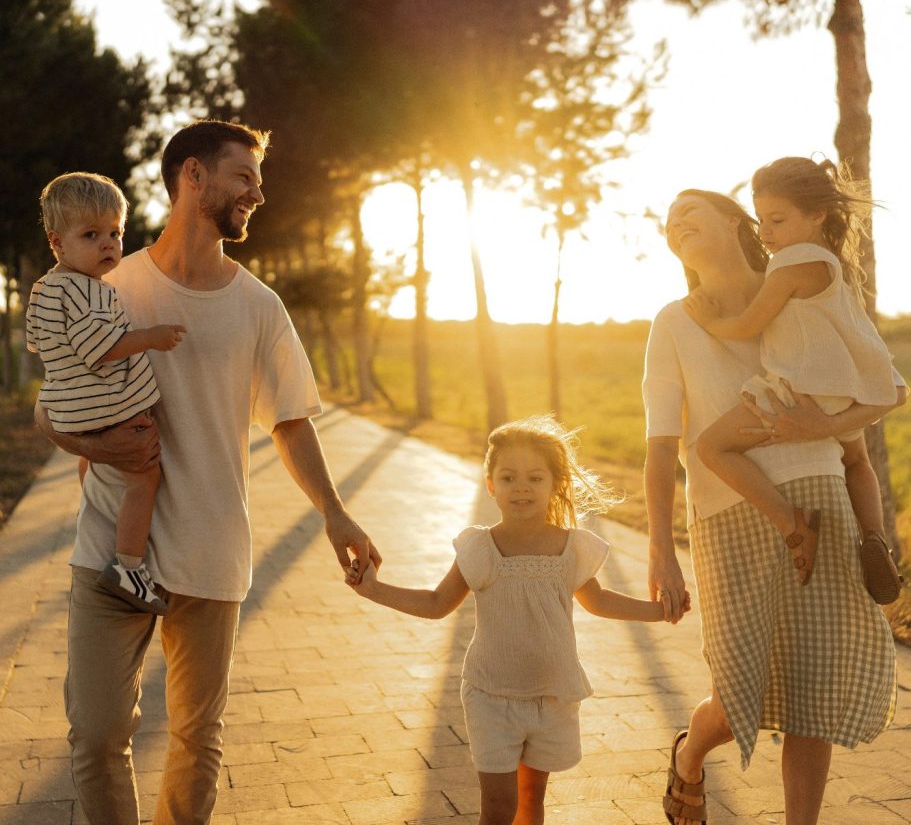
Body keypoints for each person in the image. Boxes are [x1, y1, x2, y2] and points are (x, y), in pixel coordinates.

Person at [34, 120, 381, 825]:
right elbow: (51, 407)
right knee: (97, 733)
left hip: (211, 549)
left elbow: (289, 418)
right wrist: (99, 451)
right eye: (244, 176)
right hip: (110, 551)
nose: (258, 191)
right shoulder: (108, 284)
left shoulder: (257, 306)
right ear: (192, 176)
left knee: (196, 738)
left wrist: (334, 510)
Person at [644, 185, 904, 825]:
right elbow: (661, 446)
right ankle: (689, 756)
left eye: (690, 212)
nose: (676, 225)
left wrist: (870, 527)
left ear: (739, 223)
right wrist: (658, 550)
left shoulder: (803, 291)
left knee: (811, 693)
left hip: (821, 501)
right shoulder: (674, 322)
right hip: (728, 516)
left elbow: (859, 423)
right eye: (670, 223)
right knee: (739, 697)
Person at [347, 415, 680, 825]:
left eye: (534, 477)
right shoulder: (481, 548)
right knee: (499, 808)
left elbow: (598, 601)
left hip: (549, 696)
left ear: (555, 484)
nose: (521, 487)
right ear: (490, 484)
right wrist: (373, 589)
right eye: (507, 478)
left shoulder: (571, 548)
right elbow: (437, 603)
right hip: (491, 696)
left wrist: (659, 610)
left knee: (531, 802)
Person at [683, 158, 902, 602]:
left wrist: (711, 322)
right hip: (840, 395)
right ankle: (875, 537)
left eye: (777, 220)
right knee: (856, 462)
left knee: (710, 447)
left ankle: (793, 525)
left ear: (817, 215)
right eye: (762, 220)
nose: (765, 232)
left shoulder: (792, 261)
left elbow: (748, 324)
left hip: (795, 392)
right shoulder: (835, 269)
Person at [27, 172, 186, 615]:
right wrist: (150, 336)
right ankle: (129, 566)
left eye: (115, 232)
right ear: (57, 242)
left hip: (75, 409)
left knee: (93, 464)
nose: (108, 244)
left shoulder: (46, 288)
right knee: (144, 476)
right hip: (110, 407)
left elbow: (40, 344)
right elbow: (102, 350)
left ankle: (100, 514)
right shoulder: (86, 291)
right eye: (91, 234)